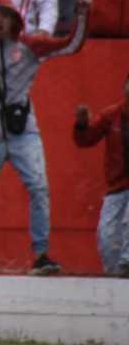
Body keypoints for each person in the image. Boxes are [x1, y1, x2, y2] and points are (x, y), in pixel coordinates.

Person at [0, 0, 91, 275]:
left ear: (15, 20)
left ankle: (41, 255)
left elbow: (70, 46)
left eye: (5, 16)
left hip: (23, 133)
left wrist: (82, 16)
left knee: (39, 188)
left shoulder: (30, 46)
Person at [73, 77, 129, 277]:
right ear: (125, 88)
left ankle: (126, 264)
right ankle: (115, 275)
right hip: (116, 187)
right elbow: (86, 140)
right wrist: (81, 124)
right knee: (105, 235)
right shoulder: (111, 115)